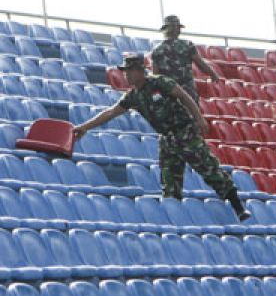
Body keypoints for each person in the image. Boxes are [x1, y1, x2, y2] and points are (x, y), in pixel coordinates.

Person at [73, 53, 250, 221]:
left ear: (139, 70)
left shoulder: (160, 83)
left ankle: (238, 207)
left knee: (210, 170)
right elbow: (111, 112)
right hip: (168, 140)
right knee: (169, 183)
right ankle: (175, 219)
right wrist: (84, 127)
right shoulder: (133, 96)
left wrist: (199, 118)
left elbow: (184, 97)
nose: (126, 75)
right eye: (125, 72)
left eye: (129, 71)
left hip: (185, 132)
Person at [151, 14, 221, 102]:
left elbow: (155, 76)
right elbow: (200, 63)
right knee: (191, 114)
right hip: (188, 93)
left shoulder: (157, 50)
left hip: (168, 94)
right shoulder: (187, 45)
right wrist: (213, 74)